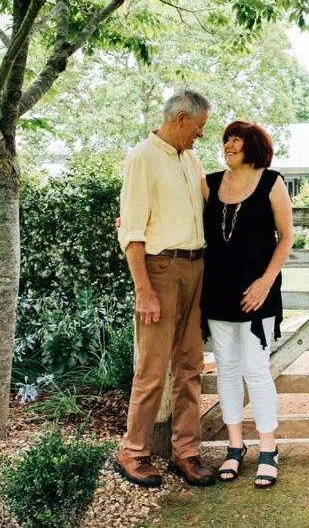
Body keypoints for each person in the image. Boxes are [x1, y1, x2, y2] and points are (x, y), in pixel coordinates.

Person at [114, 89, 216, 488]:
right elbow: (133, 231)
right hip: (159, 270)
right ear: (180, 120)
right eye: (199, 127)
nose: (200, 135)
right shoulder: (143, 158)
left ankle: (185, 453)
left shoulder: (191, 160)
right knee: (153, 368)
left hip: (195, 268)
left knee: (190, 366)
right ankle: (133, 451)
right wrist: (144, 289)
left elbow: (216, 204)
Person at [202, 120, 293, 488]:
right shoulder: (208, 183)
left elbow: (286, 237)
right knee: (225, 369)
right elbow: (173, 208)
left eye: (236, 139)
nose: (228, 144)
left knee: (256, 370)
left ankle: (268, 450)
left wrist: (265, 282)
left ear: (252, 144)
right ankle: (235, 447)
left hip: (260, 290)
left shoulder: (271, 182)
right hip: (218, 291)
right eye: (225, 139)